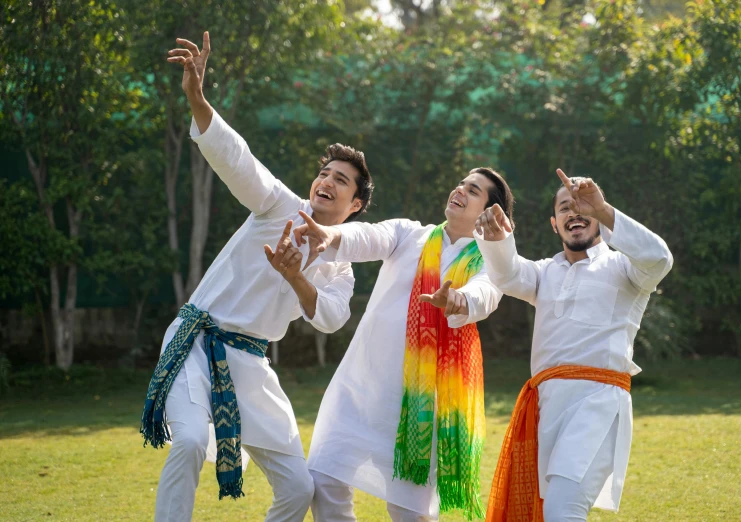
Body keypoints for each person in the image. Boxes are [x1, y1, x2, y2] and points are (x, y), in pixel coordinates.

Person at [141, 32, 374, 522]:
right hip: (196, 344)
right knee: (184, 442)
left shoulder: (340, 262)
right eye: (325, 173)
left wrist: (296, 277)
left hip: (250, 362)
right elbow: (234, 156)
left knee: (297, 488)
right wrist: (197, 98)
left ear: (355, 205)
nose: (327, 181)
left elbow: (331, 318)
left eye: (341, 180)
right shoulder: (278, 205)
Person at [293, 167, 514, 522]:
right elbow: (367, 236)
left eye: (473, 191)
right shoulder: (409, 233)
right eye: (461, 183)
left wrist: (459, 300)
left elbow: (486, 293)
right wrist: (329, 235)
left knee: (409, 513)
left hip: (422, 406)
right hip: (359, 390)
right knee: (323, 483)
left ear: (489, 211)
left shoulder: (491, 262)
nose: (460, 190)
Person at [475, 169, 673, 522]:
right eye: (565, 207)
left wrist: (604, 208)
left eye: (583, 205)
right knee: (552, 510)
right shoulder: (544, 273)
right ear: (554, 224)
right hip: (548, 408)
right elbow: (506, 275)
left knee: (563, 509)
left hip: (597, 403)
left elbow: (659, 259)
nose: (575, 212)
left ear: (598, 215)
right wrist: (498, 240)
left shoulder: (625, 269)